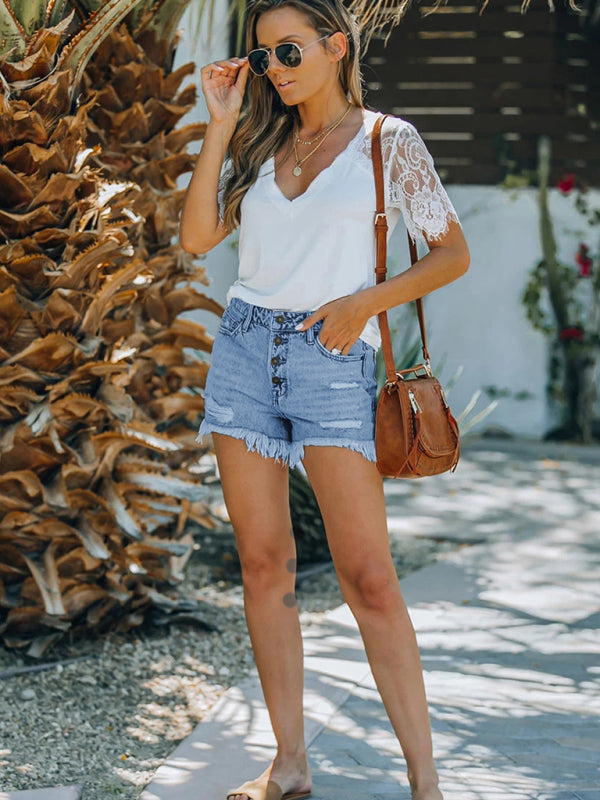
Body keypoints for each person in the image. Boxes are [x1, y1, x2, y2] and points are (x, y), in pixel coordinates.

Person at [179, 2, 470, 799]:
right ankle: (291, 764)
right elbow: (198, 239)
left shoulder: (389, 141)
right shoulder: (261, 137)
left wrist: (363, 304)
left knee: (369, 576)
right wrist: (221, 119)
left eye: (289, 49)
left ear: (336, 47)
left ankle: (425, 782)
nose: (274, 66)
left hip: (335, 359)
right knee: (263, 565)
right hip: (243, 352)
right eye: (264, 53)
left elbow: (451, 254)